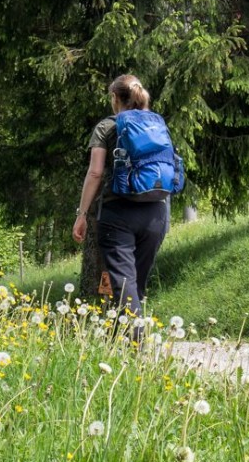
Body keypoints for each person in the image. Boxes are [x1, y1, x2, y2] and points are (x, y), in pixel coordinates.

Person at [72, 74, 179, 337]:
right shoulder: (156, 124)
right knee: (134, 286)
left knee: (123, 285)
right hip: (157, 212)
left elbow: (95, 173)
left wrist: (82, 214)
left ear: (116, 98)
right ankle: (121, 344)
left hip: (118, 212)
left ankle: (136, 349)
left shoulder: (107, 126)